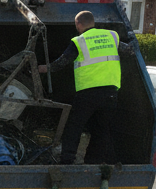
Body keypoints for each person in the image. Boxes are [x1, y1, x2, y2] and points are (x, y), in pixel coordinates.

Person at [38, 10, 123, 164]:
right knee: (101, 129)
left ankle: (67, 160)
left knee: (74, 127)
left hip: (88, 94)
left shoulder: (79, 41)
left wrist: (44, 68)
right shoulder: (112, 36)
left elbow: (63, 62)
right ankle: (93, 161)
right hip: (111, 93)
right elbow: (128, 50)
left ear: (78, 24)